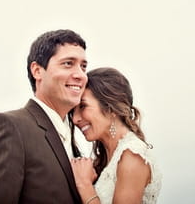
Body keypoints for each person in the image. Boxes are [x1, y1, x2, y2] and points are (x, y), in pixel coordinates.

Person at [0, 29, 88, 204]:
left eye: (83, 66)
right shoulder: (9, 127)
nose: (80, 75)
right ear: (37, 70)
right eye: (68, 63)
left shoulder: (75, 141)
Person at [69, 67, 161, 204]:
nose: (75, 119)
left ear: (111, 109)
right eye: (73, 111)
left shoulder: (132, 156)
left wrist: (85, 185)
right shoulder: (105, 158)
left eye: (83, 106)